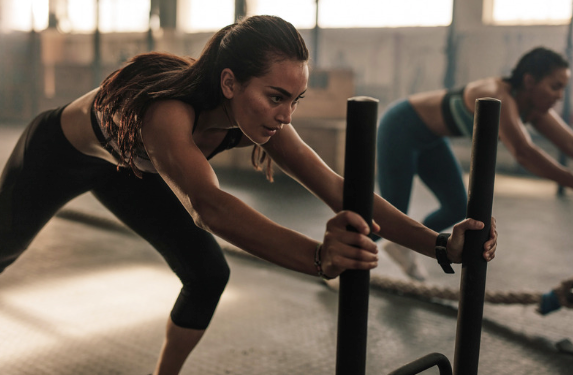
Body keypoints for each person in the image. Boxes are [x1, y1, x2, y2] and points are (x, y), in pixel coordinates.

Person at [0, 15, 497, 375]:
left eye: (293, 101)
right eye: (275, 97)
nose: (285, 115)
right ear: (229, 82)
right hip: (58, 154)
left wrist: (438, 245)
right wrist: (320, 258)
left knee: (208, 274)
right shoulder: (169, 112)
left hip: (130, 169)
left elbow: (341, 190)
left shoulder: (260, 119)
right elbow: (208, 205)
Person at [376, 46, 571, 281]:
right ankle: (341, 266)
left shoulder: (534, 109)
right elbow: (524, 152)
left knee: (457, 207)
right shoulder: (497, 93)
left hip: (432, 140)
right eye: (555, 86)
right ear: (529, 81)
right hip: (400, 127)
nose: (560, 96)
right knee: (391, 215)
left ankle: (406, 243)